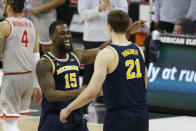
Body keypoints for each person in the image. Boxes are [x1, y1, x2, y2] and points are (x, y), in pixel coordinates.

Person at [36, 19, 147, 131]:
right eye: (62, 33)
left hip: (76, 115)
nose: (67, 36)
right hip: (54, 117)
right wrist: (81, 91)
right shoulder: (45, 63)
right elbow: (50, 94)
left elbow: (101, 49)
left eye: (68, 33)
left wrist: (127, 32)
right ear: (52, 37)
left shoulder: (77, 55)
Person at [78, 0, 128, 111]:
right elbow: (83, 14)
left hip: (111, 37)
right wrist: (98, 9)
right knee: (89, 72)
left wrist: (112, 8)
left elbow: (125, 13)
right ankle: (82, 104)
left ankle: (109, 99)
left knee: (113, 70)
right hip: (92, 37)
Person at [0, 0, 41, 131]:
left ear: (8, 6)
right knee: (12, 119)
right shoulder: (32, 25)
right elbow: (36, 58)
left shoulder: (5, 25)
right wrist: (37, 85)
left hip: (12, 79)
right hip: (28, 79)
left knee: (8, 123)